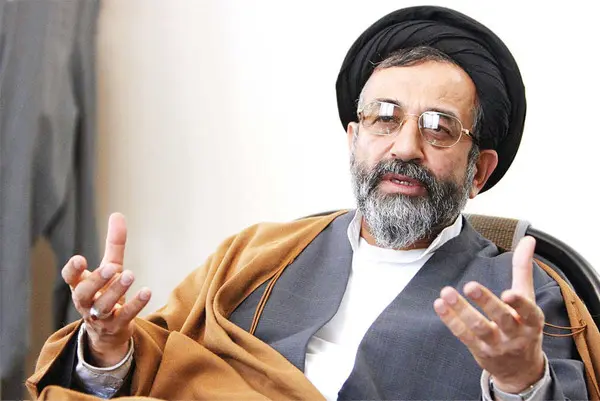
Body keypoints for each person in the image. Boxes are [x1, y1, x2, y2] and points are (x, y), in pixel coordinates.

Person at [27, 5, 587, 400]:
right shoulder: (255, 255)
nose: (404, 147)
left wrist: (520, 381)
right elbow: (149, 366)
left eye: (438, 127)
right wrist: (108, 344)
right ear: (353, 139)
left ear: (478, 171)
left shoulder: (526, 298)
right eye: (384, 118)